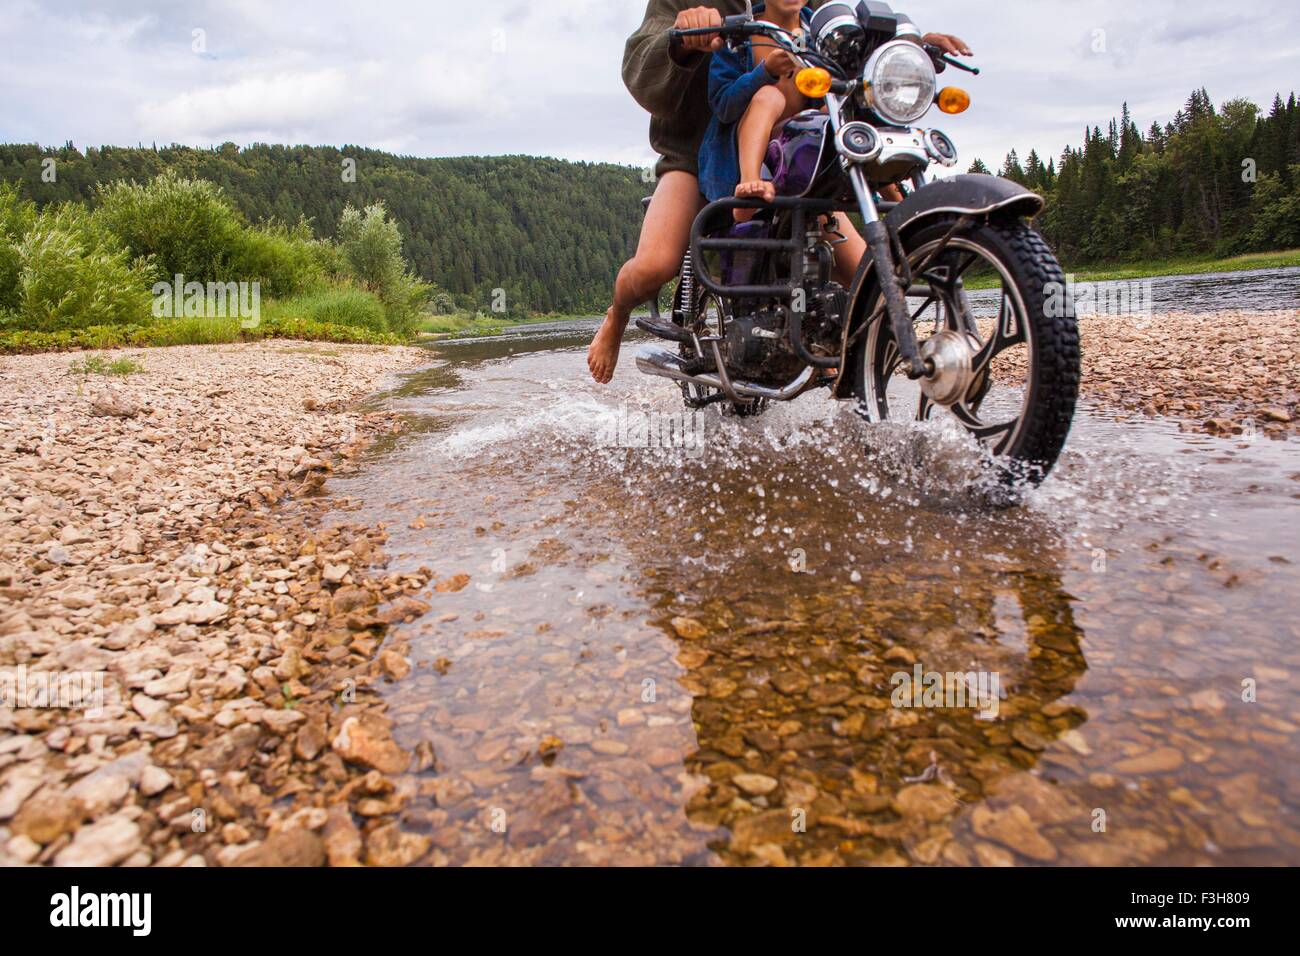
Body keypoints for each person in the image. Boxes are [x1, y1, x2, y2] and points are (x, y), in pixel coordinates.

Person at [587, 1, 971, 384]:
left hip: (791, 165)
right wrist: (682, 39)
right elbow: (643, 62)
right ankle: (617, 315)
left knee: (864, 275)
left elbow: (848, 36)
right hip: (700, 154)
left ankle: (836, 356)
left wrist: (907, 45)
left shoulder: (802, 11)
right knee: (656, 264)